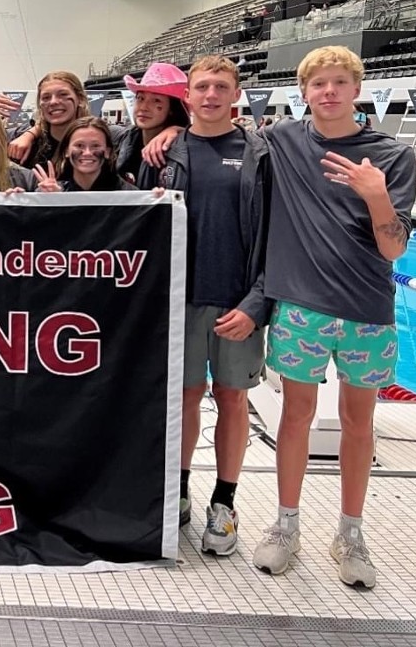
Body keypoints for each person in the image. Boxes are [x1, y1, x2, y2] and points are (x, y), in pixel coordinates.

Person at [250, 46, 414, 588]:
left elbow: (394, 250)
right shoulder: (283, 142)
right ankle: (286, 524)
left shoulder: (389, 156)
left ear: (357, 88)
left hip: (367, 310)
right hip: (302, 308)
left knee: (357, 424)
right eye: (318, 83)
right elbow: (210, 122)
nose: (328, 92)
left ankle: (350, 531)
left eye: (340, 82)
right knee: (295, 417)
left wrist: (376, 197)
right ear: (303, 92)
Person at [139, 55, 270, 556]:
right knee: (186, 397)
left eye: (221, 87)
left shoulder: (259, 153)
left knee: (234, 399)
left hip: (237, 301)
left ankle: (225, 500)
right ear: (187, 97)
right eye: (202, 87)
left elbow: (273, 232)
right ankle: (179, 490)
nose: (211, 95)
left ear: (235, 94)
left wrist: (257, 303)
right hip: (181, 299)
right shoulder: (166, 152)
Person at [117, 62, 191, 183]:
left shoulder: (184, 147)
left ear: (172, 109)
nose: (144, 107)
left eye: (156, 100)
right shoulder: (125, 139)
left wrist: (180, 131)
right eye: (140, 98)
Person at [27, 116, 136, 192]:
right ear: (66, 151)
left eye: (95, 146)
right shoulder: (53, 192)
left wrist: (152, 200)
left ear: (108, 152)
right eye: (79, 145)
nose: (87, 153)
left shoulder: (130, 196)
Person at [8, 71, 90, 169]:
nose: (53, 102)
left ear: (80, 99)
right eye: (46, 97)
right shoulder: (25, 141)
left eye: (63, 94)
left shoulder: (101, 138)